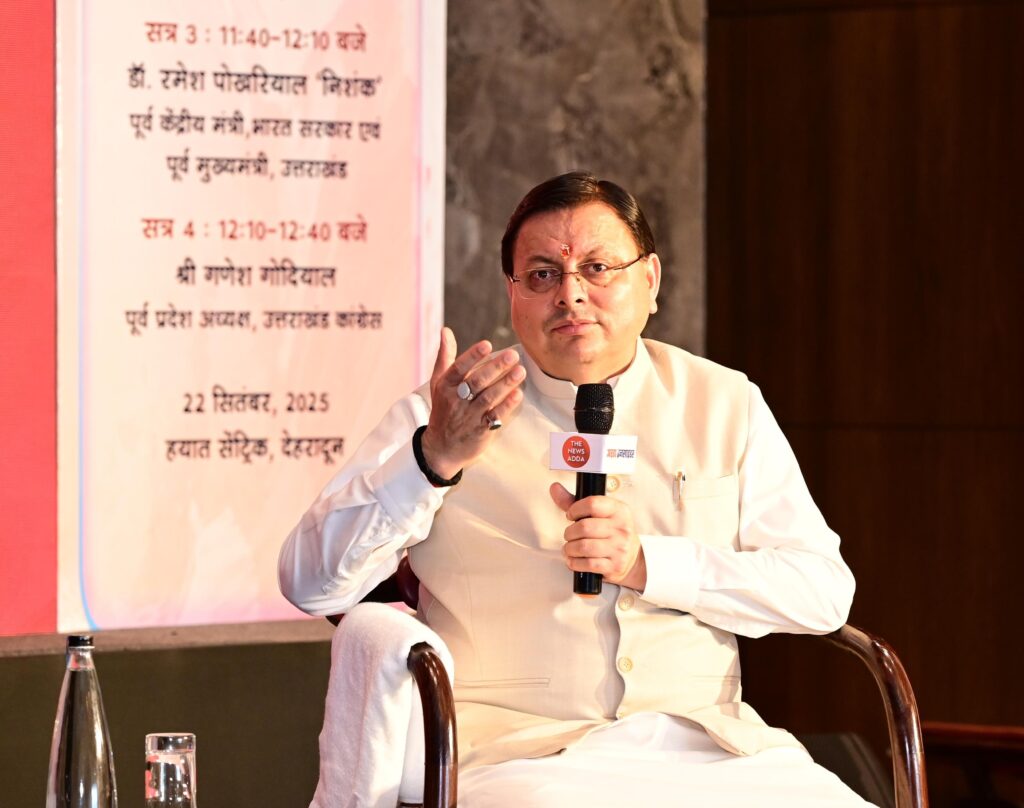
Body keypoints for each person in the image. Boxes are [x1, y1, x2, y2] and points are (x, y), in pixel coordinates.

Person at [279, 172, 872, 806]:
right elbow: (310, 583)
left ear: (650, 281)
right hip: (518, 756)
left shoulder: (725, 403)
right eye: (542, 275)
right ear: (511, 294)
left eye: (597, 268)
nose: (571, 294)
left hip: (712, 748)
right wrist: (433, 458)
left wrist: (649, 565)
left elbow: (823, 592)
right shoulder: (444, 415)